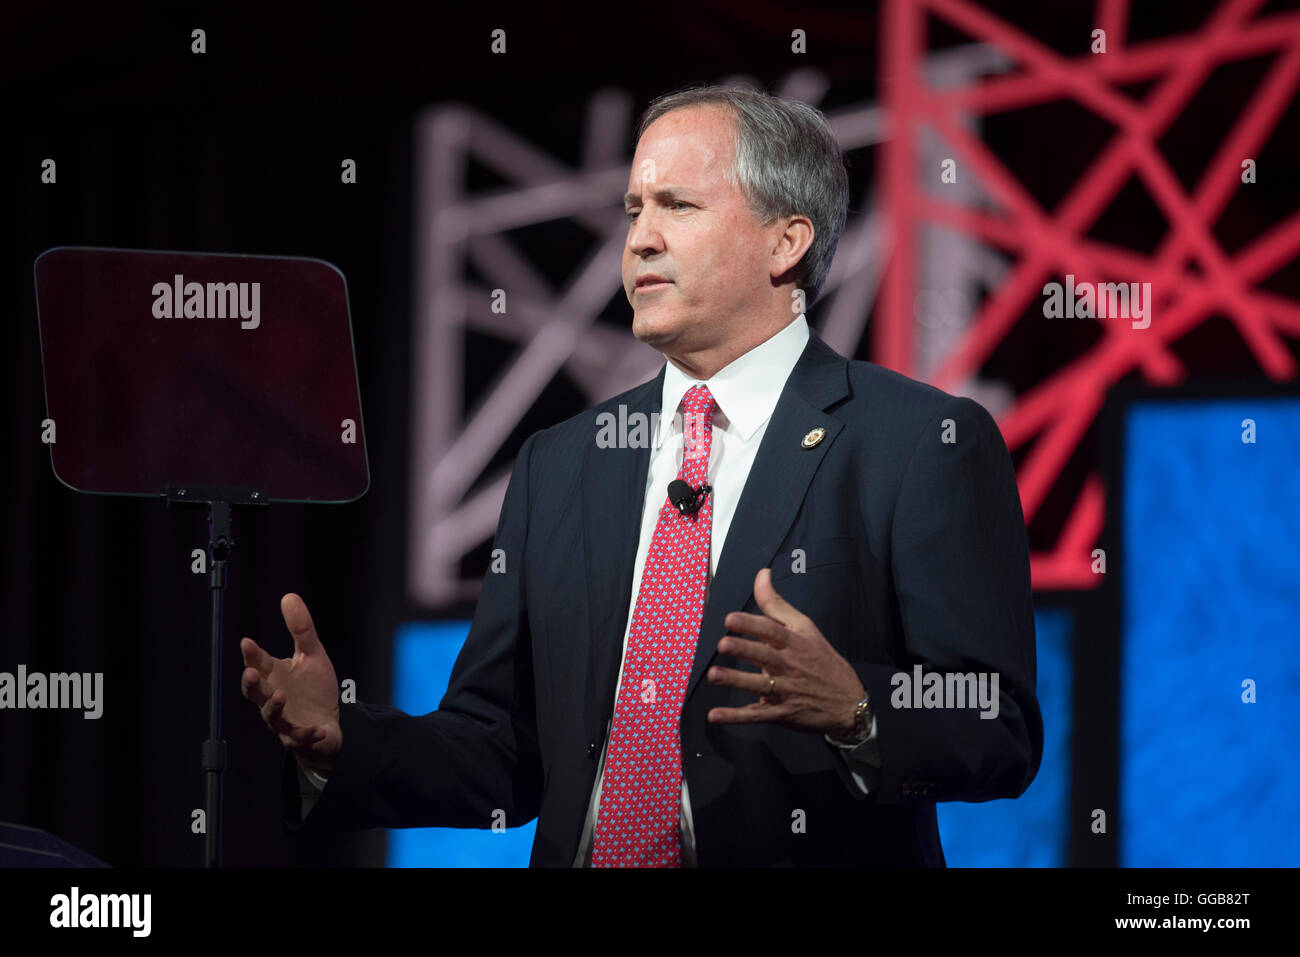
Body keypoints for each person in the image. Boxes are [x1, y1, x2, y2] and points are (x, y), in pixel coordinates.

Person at [241, 84, 1042, 867]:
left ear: (785, 242)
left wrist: (859, 707)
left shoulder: (916, 443)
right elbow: (498, 748)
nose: (640, 240)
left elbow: (998, 724)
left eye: (677, 207)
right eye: (634, 210)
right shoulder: (561, 463)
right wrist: (343, 740)